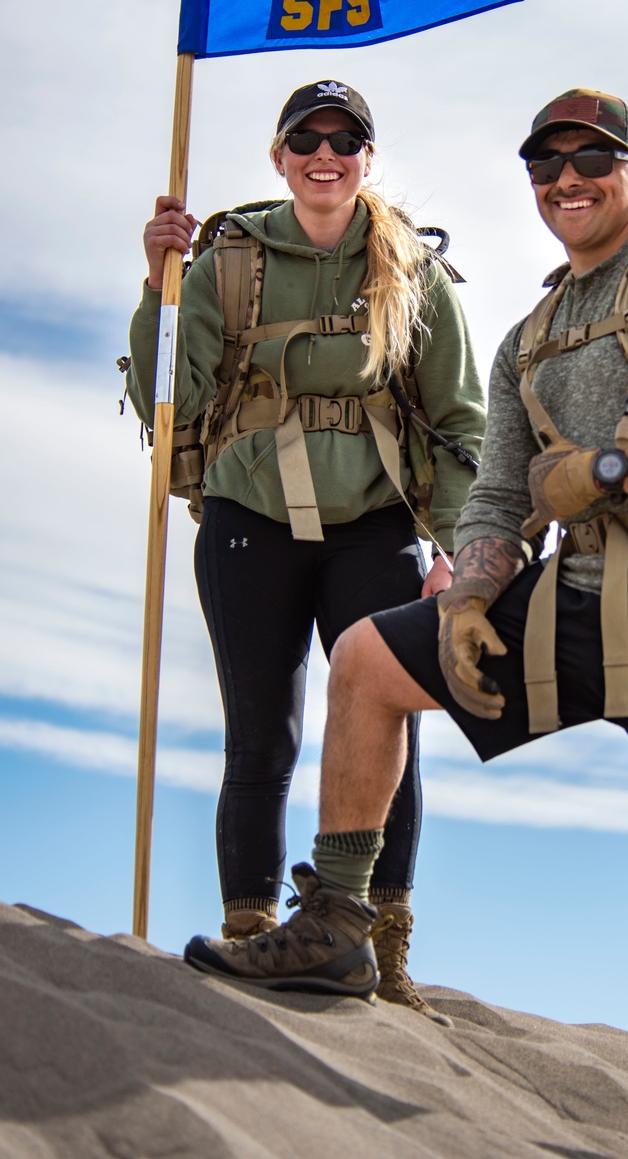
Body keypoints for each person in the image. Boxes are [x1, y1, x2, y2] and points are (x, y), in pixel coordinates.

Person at [184, 88, 628, 1159]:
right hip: (585, 594)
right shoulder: (531, 332)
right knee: (373, 660)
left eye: (592, 160)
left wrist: (610, 467)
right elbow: (501, 496)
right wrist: (471, 589)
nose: (566, 180)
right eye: (545, 164)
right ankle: (337, 921)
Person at [128, 79, 486, 1019]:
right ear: (279, 155)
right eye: (306, 139)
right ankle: (251, 939)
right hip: (250, 522)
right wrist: (157, 281)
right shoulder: (228, 262)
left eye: (346, 139)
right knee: (264, 738)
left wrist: (457, 551)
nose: (325, 155)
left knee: (387, 725)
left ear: (368, 157)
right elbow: (165, 396)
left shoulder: (410, 268)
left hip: (374, 527)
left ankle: (382, 948)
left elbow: (460, 423)